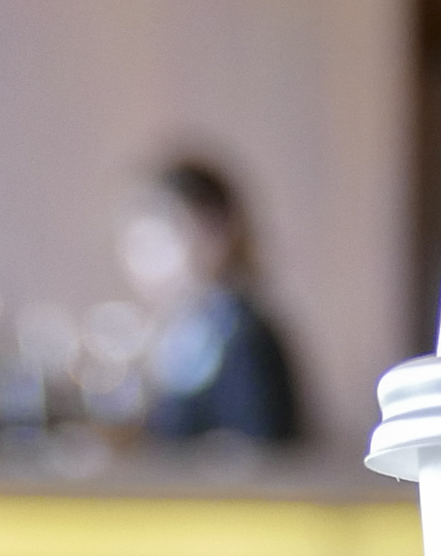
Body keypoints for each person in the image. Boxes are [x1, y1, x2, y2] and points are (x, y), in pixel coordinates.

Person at [118, 155, 306, 446]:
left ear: (216, 233)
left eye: (161, 241)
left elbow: (260, 449)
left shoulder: (243, 338)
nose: (144, 262)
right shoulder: (180, 331)